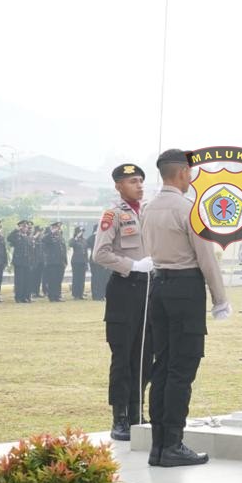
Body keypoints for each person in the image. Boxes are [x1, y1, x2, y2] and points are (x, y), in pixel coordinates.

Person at [142, 149, 231, 467]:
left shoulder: (149, 209)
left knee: (162, 367)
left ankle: (159, 446)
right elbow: (206, 257)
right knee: (182, 369)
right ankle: (174, 445)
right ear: (181, 173)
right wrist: (220, 299)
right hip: (185, 289)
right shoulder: (188, 208)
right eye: (189, 172)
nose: (191, 177)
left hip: (159, 287)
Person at [93, 163, 154, 442]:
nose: (139, 185)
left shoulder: (150, 213)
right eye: (132, 181)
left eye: (141, 180)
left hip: (150, 290)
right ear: (118, 186)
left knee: (144, 355)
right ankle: (120, 417)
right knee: (123, 356)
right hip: (124, 289)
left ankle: (137, 412)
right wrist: (132, 265)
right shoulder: (113, 215)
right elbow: (101, 254)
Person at [42, 222, 68, 302]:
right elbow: (44, 239)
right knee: (52, 280)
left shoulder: (60, 237)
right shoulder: (49, 236)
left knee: (58, 280)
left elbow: (63, 250)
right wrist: (51, 232)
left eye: (59, 227)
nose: (58, 229)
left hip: (60, 262)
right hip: (52, 262)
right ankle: (52, 296)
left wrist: (65, 261)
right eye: (57, 227)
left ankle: (57, 295)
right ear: (53, 228)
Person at [70, 226, 89, 300]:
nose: (82, 233)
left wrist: (86, 262)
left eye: (82, 232)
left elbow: (86, 252)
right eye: (80, 231)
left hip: (83, 261)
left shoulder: (84, 240)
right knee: (76, 278)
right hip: (76, 261)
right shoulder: (74, 240)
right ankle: (75, 294)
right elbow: (70, 244)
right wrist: (76, 237)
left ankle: (80, 293)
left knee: (82, 278)